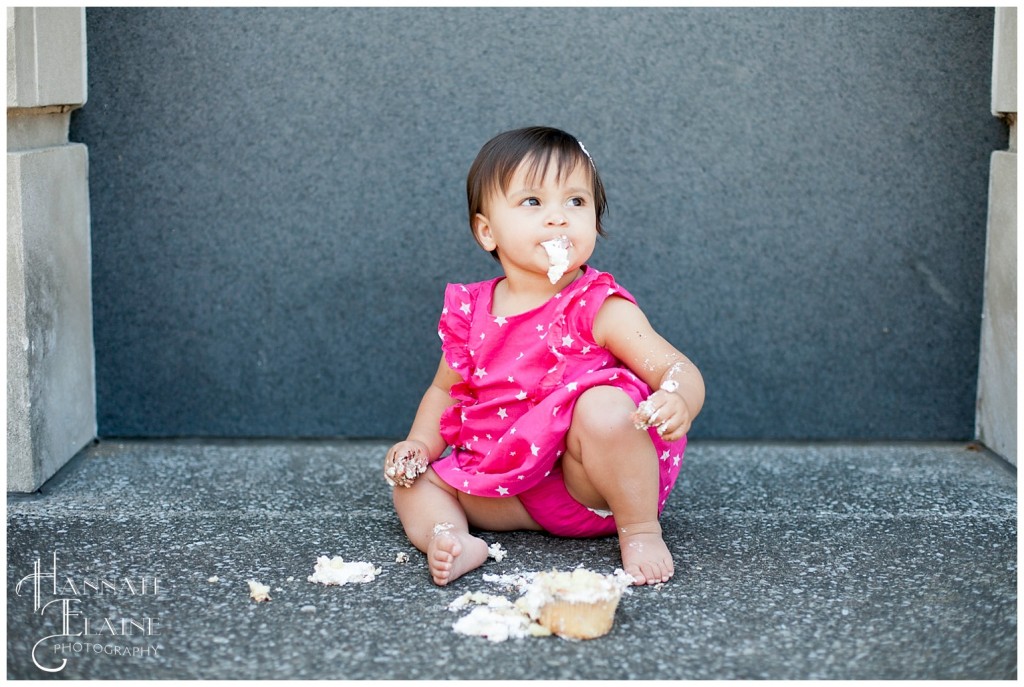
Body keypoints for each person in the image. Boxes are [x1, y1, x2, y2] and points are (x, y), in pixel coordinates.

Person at [384, 126, 704, 587]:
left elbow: (677, 368)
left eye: (576, 202)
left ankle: (639, 531)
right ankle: (450, 537)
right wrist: (419, 443)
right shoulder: (472, 312)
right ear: (487, 231)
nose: (559, 218)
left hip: (589, 484)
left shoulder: (598, 306)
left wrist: (678, 397)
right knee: (411, 483)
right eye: (533, 202)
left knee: (604, 406)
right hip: (507, 488)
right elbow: (444, 389)